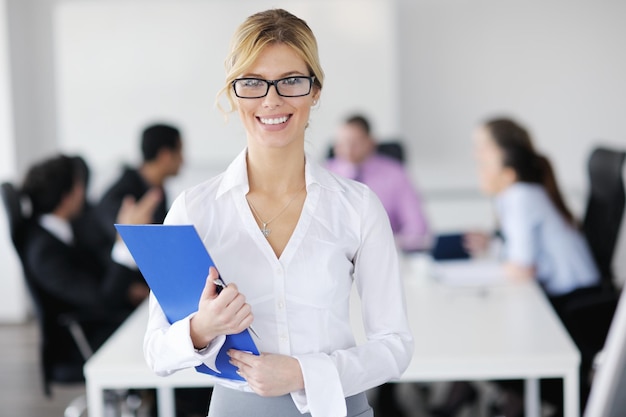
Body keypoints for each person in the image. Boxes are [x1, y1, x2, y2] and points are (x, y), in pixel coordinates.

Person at [142, 8, 413, 417]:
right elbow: (156, 352)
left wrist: (305, 373)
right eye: (252, 82)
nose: (272, 99)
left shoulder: (357, 206)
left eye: (291, 81)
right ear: (234, 92)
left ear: (315, 91)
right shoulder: (194, 210)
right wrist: (202, 328)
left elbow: (395, 345)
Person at [433, 117, 601, 417]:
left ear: (508, 172)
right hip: (567, 301)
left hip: (577, 310)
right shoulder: (520, 194)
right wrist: (496, 246)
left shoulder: (520, 196)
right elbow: (520, 254)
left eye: (484, 157)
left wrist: (477, 273)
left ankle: (483, 401)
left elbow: (522, 268)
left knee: (489, 343)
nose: (478, 163)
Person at [19, 154, 158, 365]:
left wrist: (127, 288)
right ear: (67, 197)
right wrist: (125, 241)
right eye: (79, 185)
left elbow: (91, 280)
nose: (83, 192)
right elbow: (103, 301)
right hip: (84, 340)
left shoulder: (62, 229)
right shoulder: (44, 252)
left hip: (102, 321)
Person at [326, 114, 430, 252]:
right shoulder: (323, 174)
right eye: (341, 144)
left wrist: (390, 244)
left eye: (354, 143)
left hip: (387, 253)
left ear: (371, 142)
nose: (348, 150)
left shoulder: (395, 174)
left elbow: (418, 229)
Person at [95, 123, 184, 247]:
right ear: (165, 156)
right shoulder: (122, 194)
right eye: (180, 152)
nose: (183, 160)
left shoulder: (157, 189)